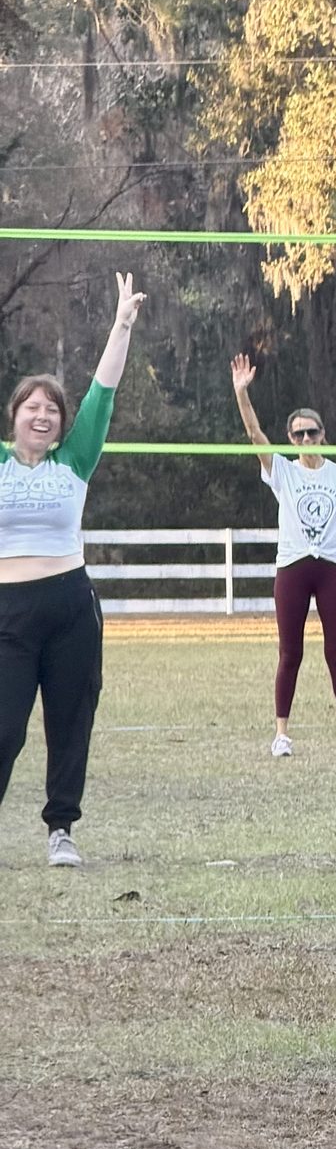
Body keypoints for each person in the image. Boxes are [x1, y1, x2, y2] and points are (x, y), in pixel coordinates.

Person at [0, 272, 145, 868]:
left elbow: (102, 391)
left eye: (51, 410)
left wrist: (120, 325)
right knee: (5, 729)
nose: (43, 415)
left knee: (70, 723)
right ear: (14, 416)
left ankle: (61, 829)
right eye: (32, 407)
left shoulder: (75, 459)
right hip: (8, 610)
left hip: (70, 605)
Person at [231, 357, 336, 758]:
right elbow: (253, 432)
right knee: (290, 654)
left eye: (311, 433)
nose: (305, 440)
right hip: (293, 569)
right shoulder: (282, 471)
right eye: (297, 435)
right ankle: (282, 734)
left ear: (323, 436)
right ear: (290, 439)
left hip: (330, 570)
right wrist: (241, 392)